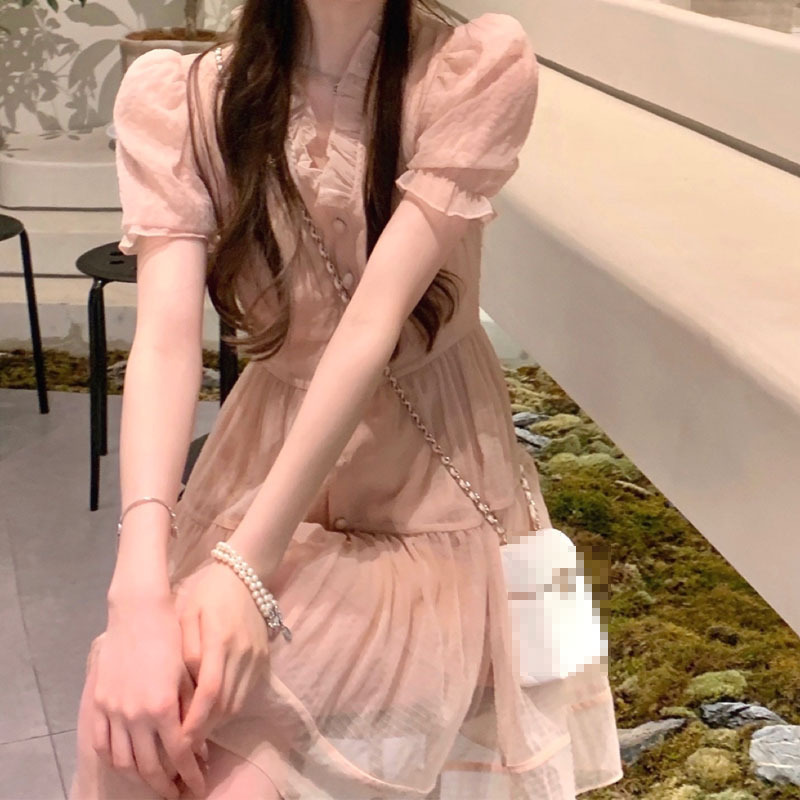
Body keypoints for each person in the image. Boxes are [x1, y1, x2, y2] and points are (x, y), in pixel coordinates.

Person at [68, 0, 623, 797]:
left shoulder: (471, 69)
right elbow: (164, 340)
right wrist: (136, 590)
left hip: (422, 487)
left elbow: (371, 324)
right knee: (127, 739)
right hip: (260, 468)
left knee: (236, 776)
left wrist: (246, 570)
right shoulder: (183, 98)